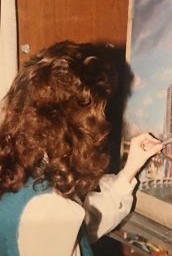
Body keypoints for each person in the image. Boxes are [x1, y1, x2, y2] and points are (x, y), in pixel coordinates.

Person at [0, 41, 163, 256]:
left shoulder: (25, 173)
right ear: (74, 127)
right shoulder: (50, 210)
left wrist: (129, 171)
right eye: (97, 117)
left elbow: (84, 227)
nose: (102, 128)